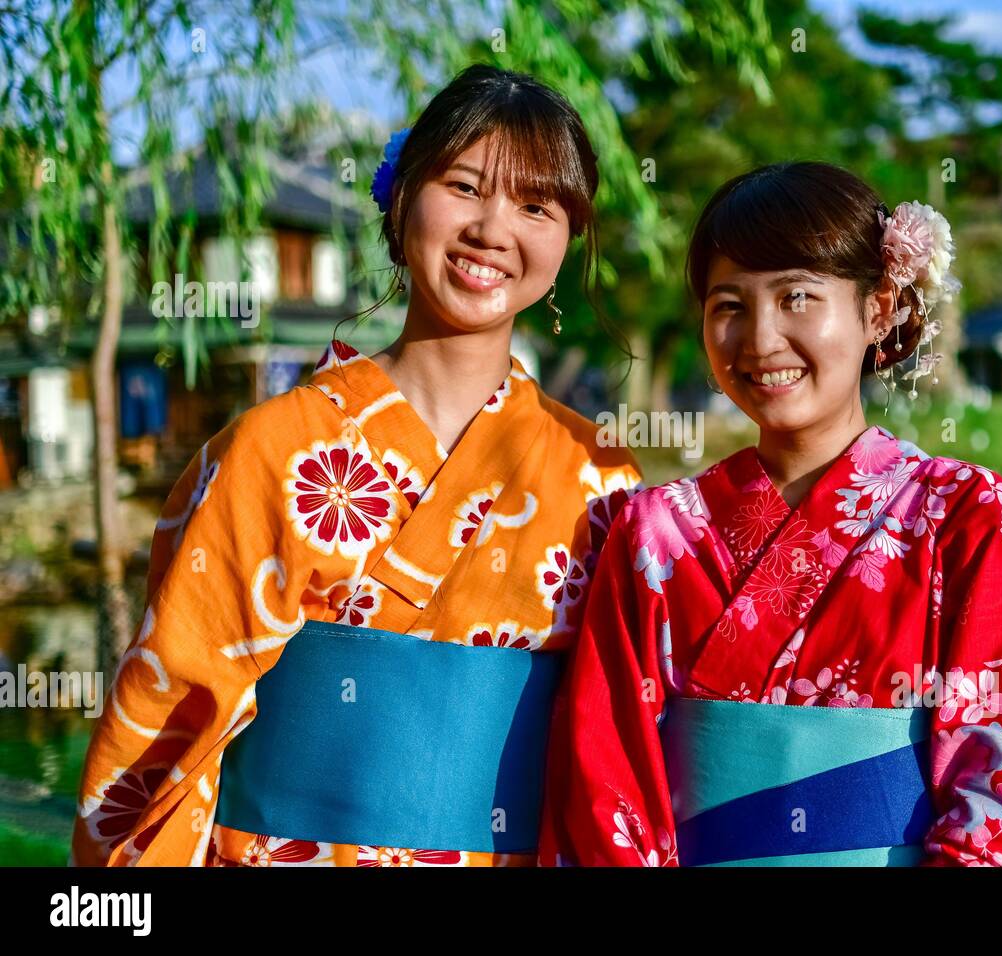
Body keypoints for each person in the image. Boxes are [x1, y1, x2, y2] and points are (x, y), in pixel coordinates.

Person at [72, 64, 639, 867]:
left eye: (536, 205)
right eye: (465, 186)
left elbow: (612, 742)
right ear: (402, 195)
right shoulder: (277, 448)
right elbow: (172, 713)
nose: (493, 227)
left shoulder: (601, 479)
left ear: (567, 240)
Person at [540, 162, 1002, 867]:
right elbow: (604, 788)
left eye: (798, 296)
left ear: (879, 308)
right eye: (728, 306)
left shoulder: (963, 521)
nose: (760, 339)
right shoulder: (652, 533)